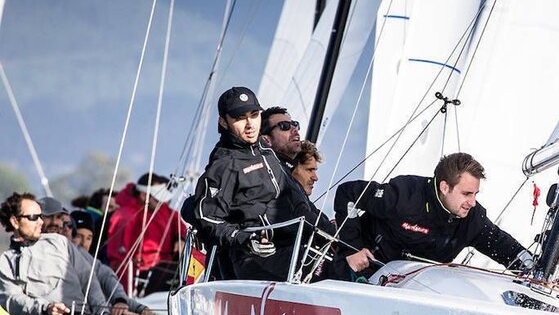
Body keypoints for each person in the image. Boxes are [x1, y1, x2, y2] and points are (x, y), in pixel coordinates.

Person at [334, 152, 534, 278]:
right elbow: (348, 194)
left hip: (413, 288)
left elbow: (503, 246)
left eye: (475, 194)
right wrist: (353, 248)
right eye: (466, 194)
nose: (472, 202)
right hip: (365, 275)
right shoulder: (404, 195)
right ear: (445, 187)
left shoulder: (472, 219)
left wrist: (531, 267)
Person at [191, 86, 288, 280]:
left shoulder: (266, 151)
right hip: (252, 257)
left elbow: (294, 197)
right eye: (240, 118)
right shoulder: (224, 165)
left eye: (254, 115)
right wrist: (246, 239)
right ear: (223, 122)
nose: (250, 124)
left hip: (289, 243)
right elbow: (208, 219)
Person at [261, 138, 373, 280]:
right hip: (274, 266)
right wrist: (343, 241)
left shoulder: (305, 202)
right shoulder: (285, 197)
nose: (315, 177)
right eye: (309, 170)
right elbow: (308, 219)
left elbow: (319, 221)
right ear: (292, 167)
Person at [107, 173, 187, 295]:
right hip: (141, 273)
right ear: (144, 196)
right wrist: (124, 295)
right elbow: (119, 258)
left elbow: (178, 224)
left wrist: (180, 238)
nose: (162, 202)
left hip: (164, 266)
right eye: (157, 198)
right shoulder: (125, 215)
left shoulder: (162, 209)